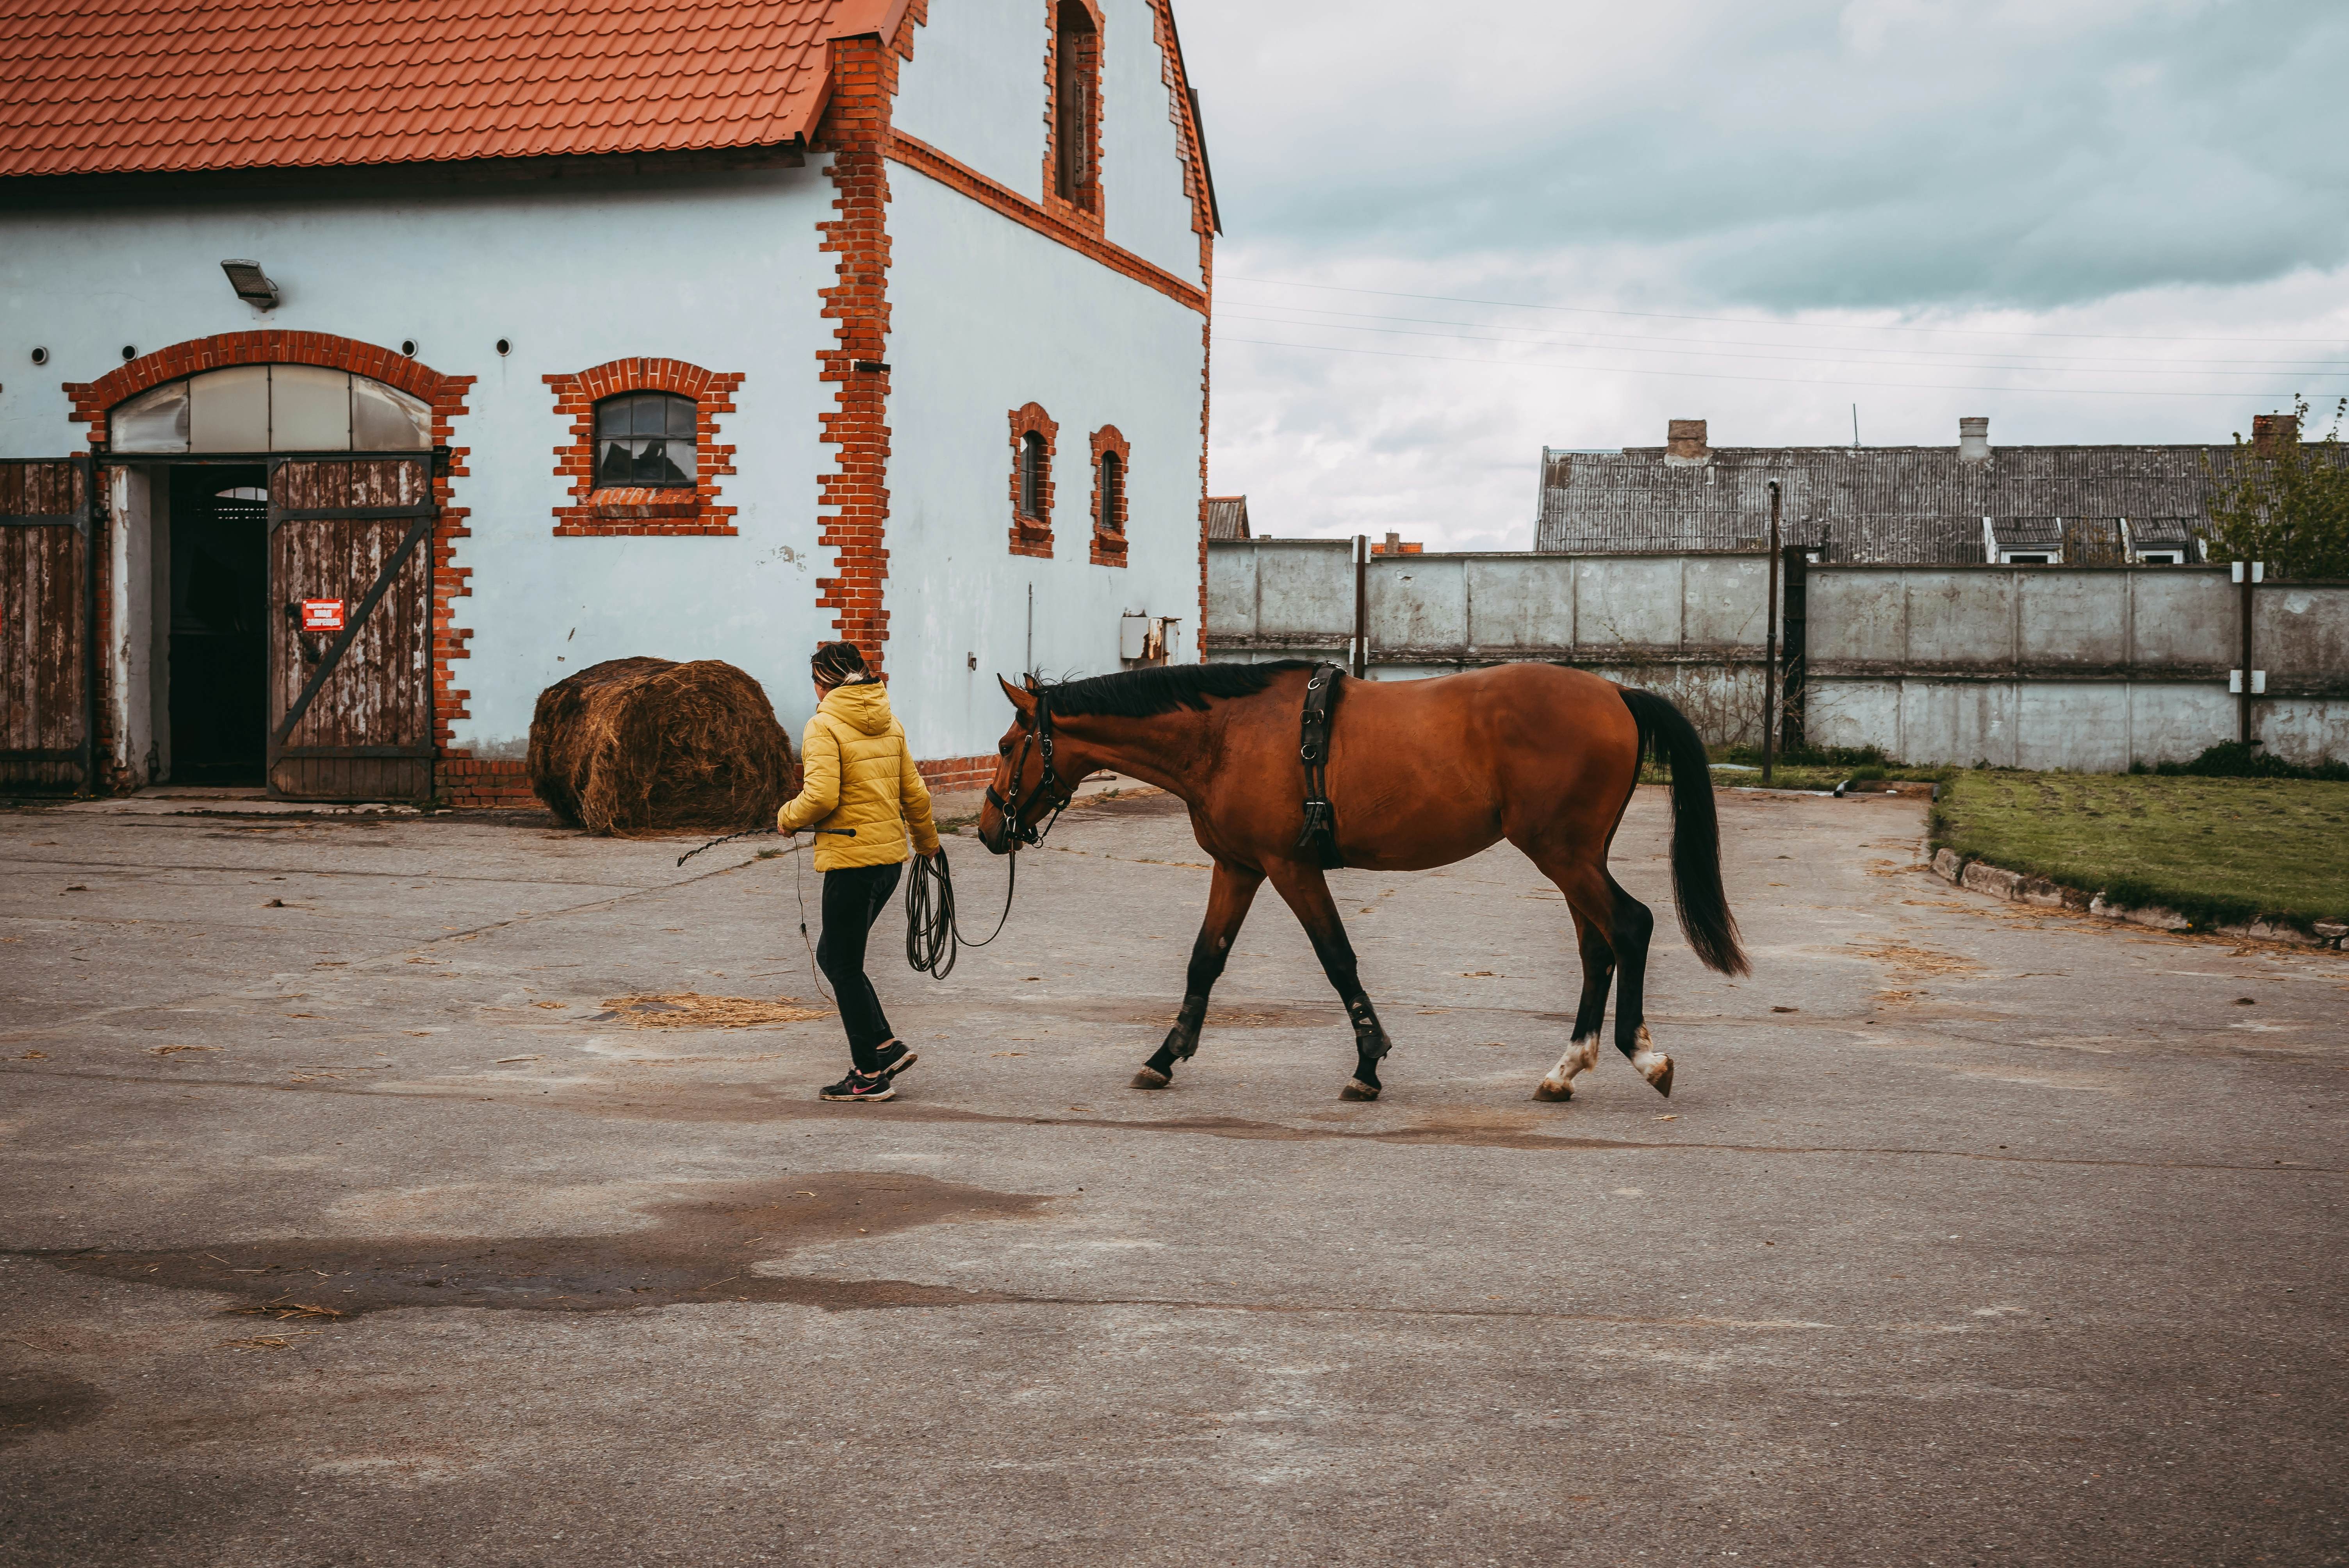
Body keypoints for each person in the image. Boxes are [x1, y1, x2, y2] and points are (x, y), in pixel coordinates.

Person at [777, 641, 942, 1102]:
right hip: (888, 861)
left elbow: (822, 797)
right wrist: (928, 844)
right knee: (834, 955)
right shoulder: (889, 720)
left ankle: (867, 1074)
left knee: (843, 965)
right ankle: (886, 1046)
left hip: (851, 862)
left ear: (822, 681)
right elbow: (916, 793)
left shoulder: (823, 724)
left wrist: (788, 816)